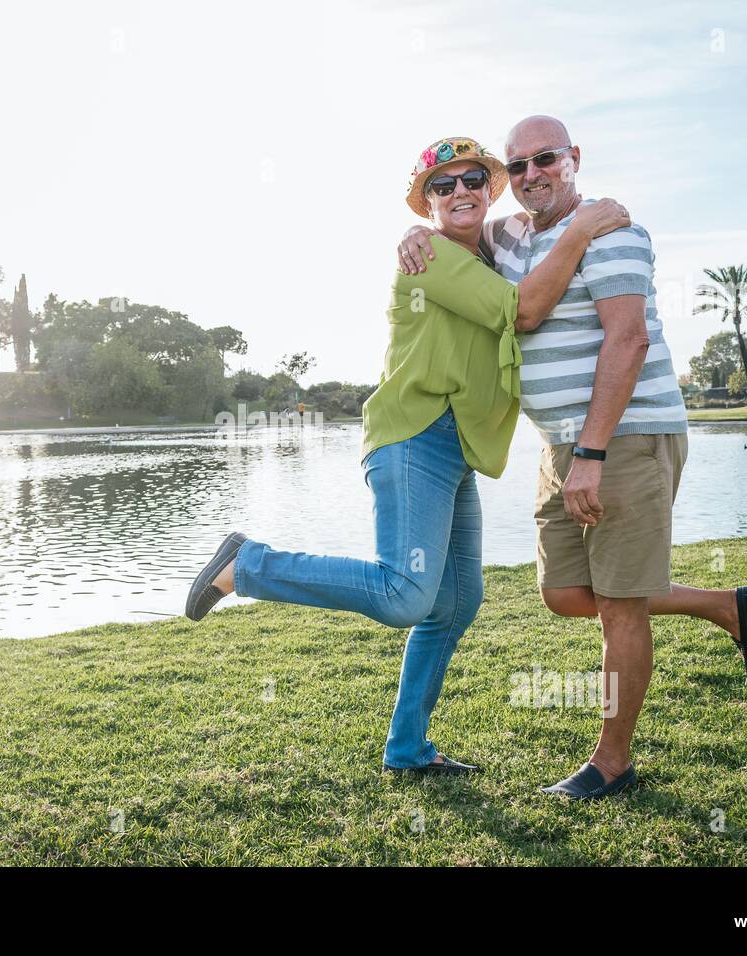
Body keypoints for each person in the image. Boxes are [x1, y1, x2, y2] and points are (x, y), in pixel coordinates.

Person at [185, 137, 631, 774]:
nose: (459, 193)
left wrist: (571, 221)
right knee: (403, 595)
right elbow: (522, 309)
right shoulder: (431, 261)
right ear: (426, 203)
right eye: (441, 187)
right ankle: (248, 565)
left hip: (455, 446)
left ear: (490, 186)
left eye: (472, 179)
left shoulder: (499, 248)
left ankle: (408, 748)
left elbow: (526, 252)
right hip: (413, 437)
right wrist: (584, 226)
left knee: (456, 603)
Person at [398, 116, 747, 798]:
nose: (531, 173)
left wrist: (593, 453)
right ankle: (727, 605)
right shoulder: (506, 237)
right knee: (565, 595)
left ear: (573, 160)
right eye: (517, 165)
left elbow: (625, 342)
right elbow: (456, 234)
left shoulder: (613, 234)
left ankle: (612, 762)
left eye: (546, 159)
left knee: (622, 607)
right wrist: (416, 231)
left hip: (621, 437)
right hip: (559, 443)